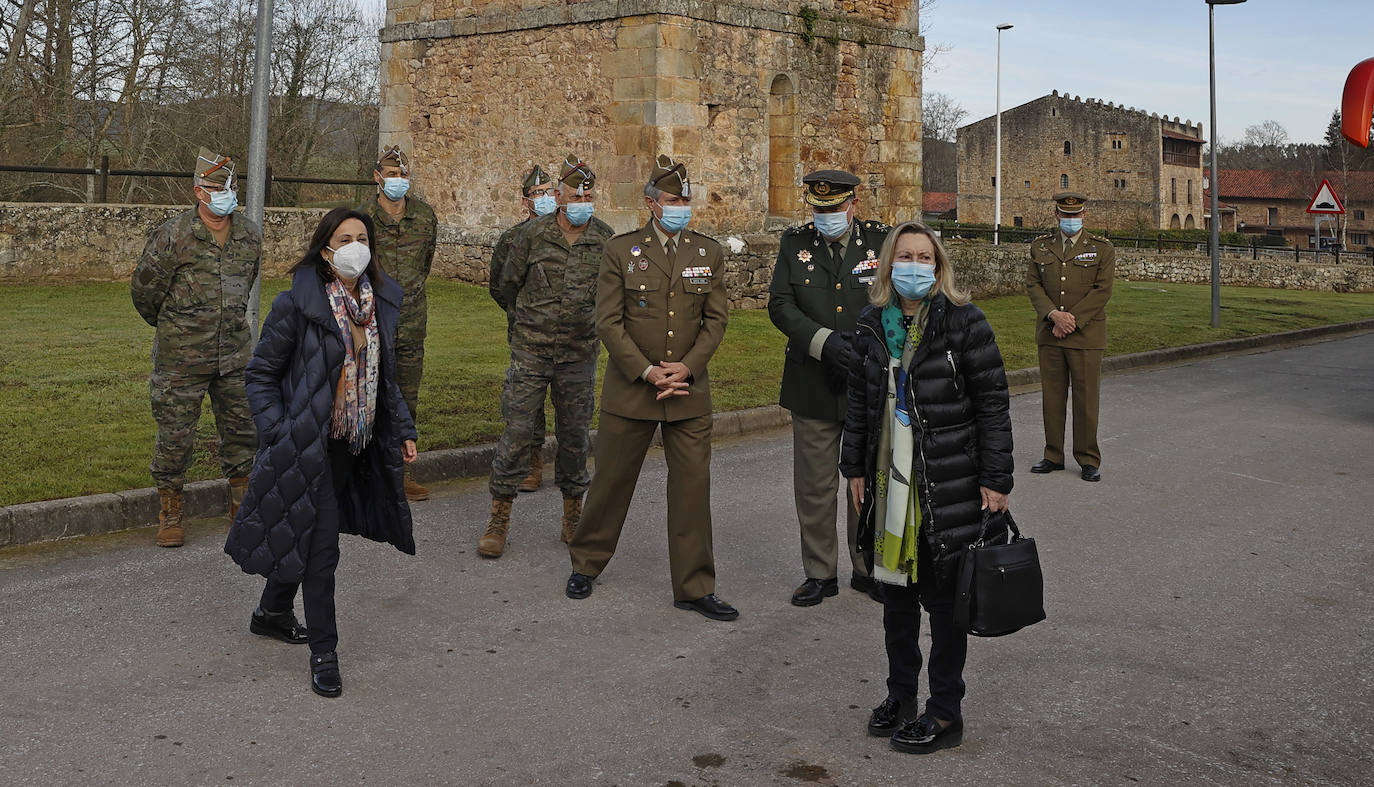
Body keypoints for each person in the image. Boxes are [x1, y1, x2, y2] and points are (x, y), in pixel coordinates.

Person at [224, 207, 419, 699]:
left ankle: (270, 612)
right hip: (308, 445)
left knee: (307, 529)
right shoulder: (298, 304)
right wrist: (278, 431)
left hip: (356, 443)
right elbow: (260, 376)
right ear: (325, 249)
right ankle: (324, 653)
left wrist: (403, 429)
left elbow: (386, 378)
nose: (355, 245)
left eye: (362, 236)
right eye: (344, 237)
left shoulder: (379, 305)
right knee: (321, 550)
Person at [840, 220, 1013, 753]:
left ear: (938, 267)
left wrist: (996, 479)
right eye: (905, 256)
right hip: (891, 485)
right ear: (889, 264)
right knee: (896, 600)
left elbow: (992, 404)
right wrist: (854, 470)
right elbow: (859, 406)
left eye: (924, 257)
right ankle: (901, 696)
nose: (914, 265)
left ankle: (944, 711)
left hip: (948, 482)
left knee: (943, 603)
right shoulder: (872, 325)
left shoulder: (965, 323)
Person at [564, 154, 737, 622]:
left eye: (686, 199)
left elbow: (716, 321)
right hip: (632, 390)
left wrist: (687, 368)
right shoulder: (621, 251)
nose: (680, 206)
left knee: (692, 492)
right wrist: (646, 371)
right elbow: (609, 321)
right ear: (650, 203)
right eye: (671, 199)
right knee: (611, 484)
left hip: (687, 391)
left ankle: (695, 586)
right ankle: (586, 563)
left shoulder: (708, 252)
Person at [768, 169, 890, 607]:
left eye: (835, 208)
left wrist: (865, 347)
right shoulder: (794, 243)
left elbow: (896, 301)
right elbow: (780, 305)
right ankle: (820, 573)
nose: (826, 216)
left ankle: (867, 568)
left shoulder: (881, 242)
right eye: (819, 210)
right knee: (815, 485)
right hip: (813, 380)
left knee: (868, 479)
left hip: (868, 381)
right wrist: (824, 342)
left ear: (853, 205)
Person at [483, 154, 614, 557]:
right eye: (576, 194)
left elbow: (613, 295)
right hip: (532, 353)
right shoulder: (531, 236)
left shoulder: (605, 239)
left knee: (575, 437)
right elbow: (504, 286)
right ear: (559, 195)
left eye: (589, 195)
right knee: (518, 432)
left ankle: (573, 514)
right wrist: (531, 321)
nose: (582, 201)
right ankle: (499, 516)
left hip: (579, 354)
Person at [130, 147, 261, 548]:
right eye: (214, 186)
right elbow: (144, 291)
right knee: (175, 435)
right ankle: (170, 511)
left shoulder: (249, 235)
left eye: (228, 186)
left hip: (234, 354)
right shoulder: (174, 235)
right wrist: (176, 327)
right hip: (182, 359)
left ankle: (242, 506)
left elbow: (246, 286)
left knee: (243, 431)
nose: (222, 193)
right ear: (197, 190)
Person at [360, 145, 436, 501]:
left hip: (410, 324)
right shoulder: (360, 221)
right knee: (364, 399)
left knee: (406, 398)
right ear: (378, 178)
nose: (398, 181)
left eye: (403, 175)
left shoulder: (424, 217)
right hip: (370, 325)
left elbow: (424, 265)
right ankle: (362, 475)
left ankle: (399, 474)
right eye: (392, 175)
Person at [1025, 192, 1115, 482]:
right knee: (1052, 397)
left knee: (1086, 398)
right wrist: (1054, 316)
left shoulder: (1101, 249)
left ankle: (1088, 458)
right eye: (1066, 215)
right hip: (1050, 333)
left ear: (1084, 216)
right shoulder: (1040, 247)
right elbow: (1034, 285)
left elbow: (1102, 291)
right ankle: (1053, 455)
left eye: (1076, 216)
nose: (1071, 220)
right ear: (1056, 216)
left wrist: (1070, 322)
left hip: (1086, 336)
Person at [489, 164, 559, 493]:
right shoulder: (512, 240)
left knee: (569, 399)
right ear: (525, 200)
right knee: (527, 402)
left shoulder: (570, 235)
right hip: (527, 335)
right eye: (537, 193)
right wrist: (522, 313)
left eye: (549, 191)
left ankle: (571, 462)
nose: (545, 198)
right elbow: (500, 287)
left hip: (567, 334)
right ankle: (533, 463)